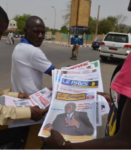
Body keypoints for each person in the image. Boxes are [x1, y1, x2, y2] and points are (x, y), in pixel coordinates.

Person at [43, 1, 131, 148]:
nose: (129, 7)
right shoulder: (59, 116)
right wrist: (113, 101)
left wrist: (64, 147)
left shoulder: (82, 116)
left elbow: (126, 141)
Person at [0, 3, 48, 149]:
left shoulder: (18, 47)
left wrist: (13, 94)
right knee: (40, 120)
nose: (0, 38)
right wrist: (27, 112)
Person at [11, 16, 55, 149]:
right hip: (31, 104)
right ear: (25, 31)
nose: (40, 36)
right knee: (47, 122)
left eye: (43, 32)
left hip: (20, 98)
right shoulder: (33, 51)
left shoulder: (19, 47)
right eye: (36, 32)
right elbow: (56, 74)